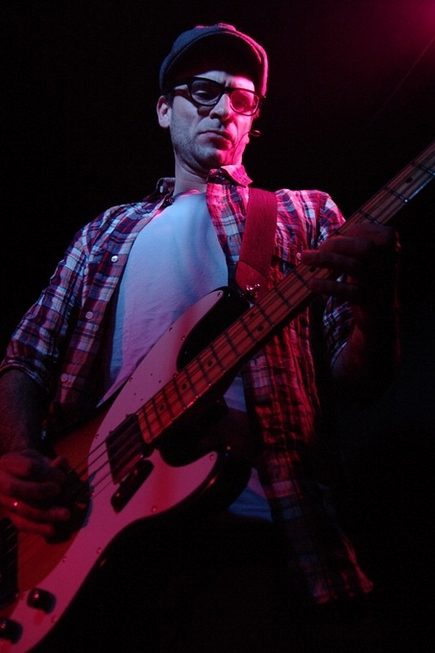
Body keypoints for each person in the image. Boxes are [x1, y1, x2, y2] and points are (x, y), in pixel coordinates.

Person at [0, 23, 400, 652]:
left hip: (261, 534)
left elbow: (359, 378)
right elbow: (27, 357)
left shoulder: (303, 213)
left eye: (241, 98)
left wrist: (378, 300)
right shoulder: (107, 232)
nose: (222, 109)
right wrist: (20, 452)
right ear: (164, 110)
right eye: (203, 91)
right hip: (86, 545)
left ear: (253, 120)